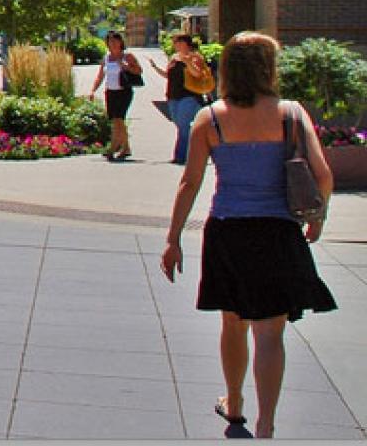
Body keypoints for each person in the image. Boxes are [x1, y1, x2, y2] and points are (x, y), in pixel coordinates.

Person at [161, 32, 336, 439]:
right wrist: (319, 217)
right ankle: (266, 424)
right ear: (268, 68)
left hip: (228, 231)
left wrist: (173, 239)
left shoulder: (211, 117)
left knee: (233, 321)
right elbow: (323, 175)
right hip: (277, 231)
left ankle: (235, 402)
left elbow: (189, 183)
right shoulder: (291, 113)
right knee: (271, 333)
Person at [150, 33, 215, 165]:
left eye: (177, 42)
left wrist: (188, 62)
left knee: (184, 126)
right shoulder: (174, 58)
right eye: (174, 42)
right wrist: (155, 67)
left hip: (189, 96)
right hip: (173, 96)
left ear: (186, 43)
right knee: (179, 124)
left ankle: (181, 156)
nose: (175, 45)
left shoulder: (195, 56)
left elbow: (198, 74)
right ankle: (196, 151)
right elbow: (168, 75)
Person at [88, 31, 143, 160]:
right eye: (109, 41)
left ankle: (113, 148)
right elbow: (100, 76)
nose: (112, 43)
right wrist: (93, 90)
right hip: (110, 91)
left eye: (115, 40)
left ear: (120, 42)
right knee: (115, 120)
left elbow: (139, 70)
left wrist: (126, 66)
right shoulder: (107, 57)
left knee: (119, 118)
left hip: (123, 91)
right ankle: (126, 147)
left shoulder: (127, 56)